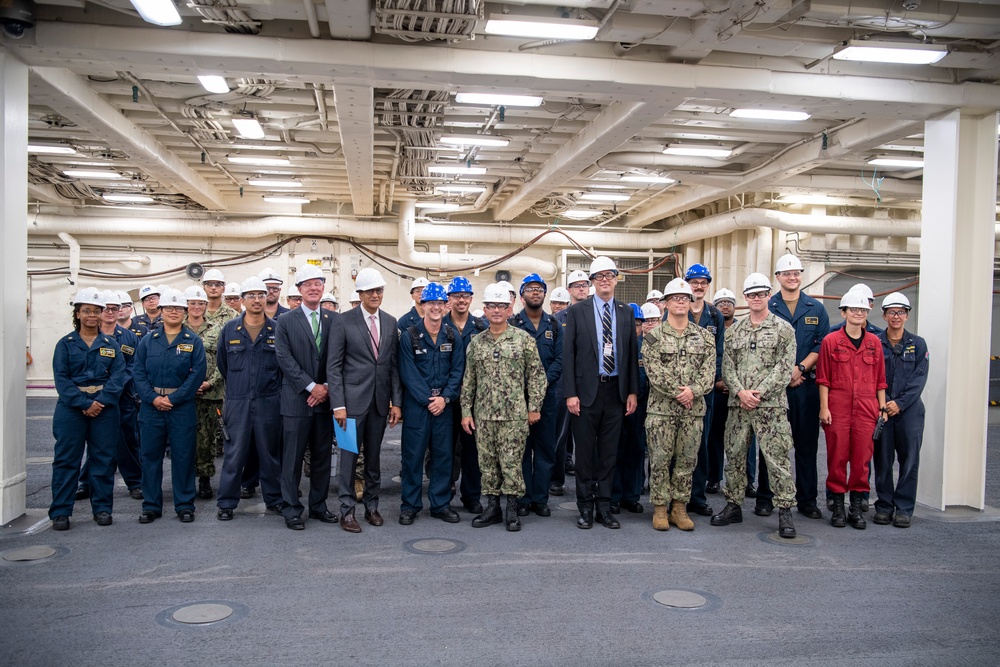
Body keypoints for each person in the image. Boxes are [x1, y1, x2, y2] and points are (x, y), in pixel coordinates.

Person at [711, 273, 798, 539]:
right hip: (739, 406)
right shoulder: (735, 331)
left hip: (770, 407)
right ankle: (734, 505)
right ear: (745, 299)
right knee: (735, 456)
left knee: (777, 460)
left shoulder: (784, 329)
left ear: (769, 296)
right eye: (751, 295)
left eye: (761, 294)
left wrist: (757, 394)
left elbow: (784, 369)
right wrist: (740, 392)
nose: (756, 298)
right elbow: (727, 366)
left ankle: (784, 511)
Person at [561, 256, 639, 530]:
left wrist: (632, 391)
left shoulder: (626, 311)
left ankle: (604, 507)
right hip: (585, 393)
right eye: (599, 276)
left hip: (616, 392)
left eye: (610, 275)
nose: (605, 280)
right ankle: (585, 507)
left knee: (608, 453)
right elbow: (568, 355)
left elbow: (630, 355)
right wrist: (570, 393)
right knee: (585, 454)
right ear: (592, 282)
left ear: (617, 278)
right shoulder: (577, 311)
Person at [461, 283, 547, 532]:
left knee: (511, 463)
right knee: (487, 464)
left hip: (514, 416)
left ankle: (511, 510)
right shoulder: (476, 343)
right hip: (484, 416)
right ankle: (492, 508)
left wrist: (534, 407)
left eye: (501, 306)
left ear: (510, 310)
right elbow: (469, 381)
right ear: (485, 310)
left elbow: (537, 377)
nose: (496, 310)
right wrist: (466, 412)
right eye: (491, 306)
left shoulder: (523, 340)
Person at [328, 267, 402, 532]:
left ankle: (372, 506)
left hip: (379, 404)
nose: (375, 295)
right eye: (370, 290)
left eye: (379, 290)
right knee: (348, 458)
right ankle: (347, 511)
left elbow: (393, 366)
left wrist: (396, 403)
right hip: (349, 407)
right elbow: (333, 367)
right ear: (359, 293)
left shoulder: (391, 322)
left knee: (373, 459)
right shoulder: (343, 321)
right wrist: (338, 405)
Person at [758, 253, 829, 520]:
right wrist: (782, 375)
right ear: (778, 278)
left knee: (806, 446)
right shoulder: (769, 306)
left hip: (805, 387)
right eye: (787, 273)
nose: (792, 277)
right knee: (771, 445)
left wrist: (799, 369)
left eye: (796, 273)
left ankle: (807, 500)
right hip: (774, 389)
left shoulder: (816, 309)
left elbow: (821, 344)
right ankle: (766, 498)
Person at [49, 288, 126, 530]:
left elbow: (118, 377)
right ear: (78, 314)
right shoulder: (66, 344)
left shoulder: (110, 345)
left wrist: (99, 402)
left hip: (104, 408)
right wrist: (84, 403)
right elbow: (61, 379)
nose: (92, 315)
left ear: (102, 314)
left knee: (103, 459)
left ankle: (102, 508)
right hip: (72, 409)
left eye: (96, 311)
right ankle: (61, 511)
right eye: (86, 311)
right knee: (66, 460)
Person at [642, 279, 716, 532]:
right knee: (660, 460)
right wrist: (679, 392)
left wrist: (693, 392)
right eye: (675, 298)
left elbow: (709, 372)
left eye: (684, 298)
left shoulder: (705, 337)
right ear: (665, 304)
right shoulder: (653, 336)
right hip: (661, 410)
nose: (681, 301)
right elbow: (654, 371)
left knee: (687, 461)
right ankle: (660, 508)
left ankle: (679, 507)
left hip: (692, 411)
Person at [132, 288, 207, 524]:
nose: (173, 312)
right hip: (151, 407)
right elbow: (138, 373)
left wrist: (173, 399)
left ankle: (184, 505)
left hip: (181, 407)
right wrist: (153, 398)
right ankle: (151, 505)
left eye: (178, 308)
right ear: (161, 311)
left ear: (185, 312)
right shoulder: (148, 341)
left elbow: (197, 376)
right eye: (169, 308)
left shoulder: (193, 341)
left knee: (183, 457)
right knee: (150, 458)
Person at [816, 288, 887, 530]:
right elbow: (823, 378)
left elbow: (880, 380)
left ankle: (856, 508)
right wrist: (824, 408)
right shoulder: (831, 341)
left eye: (863, 310)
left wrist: (882, 408)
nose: (858, 313)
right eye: (854, 309)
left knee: (861, 460)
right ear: (844, 313)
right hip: (837, 406)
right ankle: (837, 507)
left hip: (867, 408)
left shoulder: (875, 343)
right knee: (837, 458)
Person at [215, 277, 285, 521]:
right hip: (238, 400)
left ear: (267, 298)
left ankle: (274, 499)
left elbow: (282, 368)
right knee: (234, 454)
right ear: (242, 300)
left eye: (261, 295)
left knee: (270, 454)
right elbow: (223, 364)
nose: (257, 299)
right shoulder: (230, 330)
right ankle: (226, 503)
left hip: (269, 400)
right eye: (251, 295)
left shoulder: (277, 329)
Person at [274, 264, 337, 530]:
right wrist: (311, 387)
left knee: (323, 457)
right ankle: (291, 509)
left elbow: (339, 358)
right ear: (299, 290)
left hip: (325, 401)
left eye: (318, 283)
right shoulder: (285, 321)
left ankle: (319, 506)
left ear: (323, 288)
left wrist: (325, 387)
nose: (314, 288)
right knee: (292, 459)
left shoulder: (335, 320)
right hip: (297, 400)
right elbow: (284, 359)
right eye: (307, 284)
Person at [397, 282, 465, 524]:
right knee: (412, 457)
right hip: (418, 407)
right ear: (422, 305)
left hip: (444, 407)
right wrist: (429, 400)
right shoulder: (410, 336)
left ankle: (440, 504)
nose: (435, 307)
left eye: (439, 303)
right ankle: (410, 505)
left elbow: (458, 371)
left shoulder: (452, 335)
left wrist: (444, 399)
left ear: (446, 306)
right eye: (431, 303)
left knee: (443, 456)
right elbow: (408, 373)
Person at [669, 263, 725, 519]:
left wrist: (701, 386)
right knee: (674, 446)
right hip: (676, 394)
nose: (699, 286)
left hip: (704, 392)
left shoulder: (715, 316)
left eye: (703, 282)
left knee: (699, 445)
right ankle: (674, 497)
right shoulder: (674, 310)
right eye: (694, 282)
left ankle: (697, 497)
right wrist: (681, 389)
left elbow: (718, 354)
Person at [874, 292, 928, 528]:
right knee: (883, 460)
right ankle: (884, 506)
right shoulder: (875, 342)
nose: (896, 316)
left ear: (907, 315)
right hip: (883, 410)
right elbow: (872, 376)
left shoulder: (918, 344)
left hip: (910, 412)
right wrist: (885, 403)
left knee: (909, 460)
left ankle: (904, 508)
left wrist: (900, 403)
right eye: (892, 312)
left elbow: (919, 378)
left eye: (901, 312)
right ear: (884, 315)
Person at [510, 274, 563, 518]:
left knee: (544, 449)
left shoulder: (553, 325)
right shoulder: (512, 325)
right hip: (518, 398)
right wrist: (529, 386)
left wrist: (541, 384)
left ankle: (540, 499)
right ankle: (523, 497)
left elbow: (560, 359)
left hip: (548, 398)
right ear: (522, 296)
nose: (536, 293)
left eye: (540, 289)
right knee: (521, 449)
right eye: (530, 289)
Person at [443, 276, 489, 514]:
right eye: (456, 296)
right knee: (446, 449)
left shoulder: (481, 327)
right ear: (448, 299)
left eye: (465, 296)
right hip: (447, 400)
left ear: (471, 299)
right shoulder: (438, 325)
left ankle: (471, 496)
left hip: (474, 401)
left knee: (472, 450)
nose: (461, 300)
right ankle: (445, 493)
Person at [705, 287, 756, 498]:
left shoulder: (744, 329)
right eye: (720, 303)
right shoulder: (711, 329)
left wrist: (737, 386)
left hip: (740, 393)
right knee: (714, 437)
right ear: (715, 308)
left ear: (735, 307)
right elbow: (709, 358)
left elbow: (747, 360)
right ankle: (714, 478)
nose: (725, 306)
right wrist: (717, 381)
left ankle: (748, 480)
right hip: (716, 391)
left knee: (746, 439)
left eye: (729, 302)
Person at [183, 285, 224, 501]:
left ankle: (205, 478)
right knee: (184, 439)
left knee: (206, 439)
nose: (197, 307)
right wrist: (186, 386)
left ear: (206, 306)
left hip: (210, 393)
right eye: (192, 303)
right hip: (183, 395)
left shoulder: (217, 329)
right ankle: (185, 479)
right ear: (186, 306)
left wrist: (210, 382)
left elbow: (223, 361)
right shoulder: (176, 329)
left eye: (201, 303)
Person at [611, 303, 647, 515]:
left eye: (636, 324)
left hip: (641, 408)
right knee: (615, 451)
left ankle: (631, 496)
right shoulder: (613, 347)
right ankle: (614, 496)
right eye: (628, 324)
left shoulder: (648, 347)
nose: (632, 328)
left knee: (636, 451)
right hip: (616, 406)